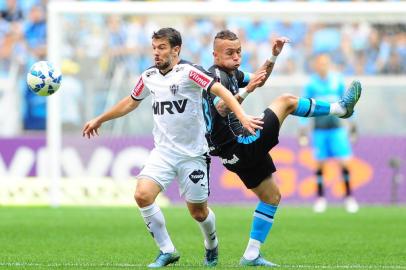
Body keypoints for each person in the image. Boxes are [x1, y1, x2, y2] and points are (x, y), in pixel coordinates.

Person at [82, 27, 263, 268]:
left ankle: (211, 245)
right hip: (163, 153)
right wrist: (100, 119)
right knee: (142, 195)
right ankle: (167, 250)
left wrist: (241, 116)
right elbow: (130, 102)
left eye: (162, 48)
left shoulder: (189, 72)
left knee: (199, 213)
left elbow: (219, 90)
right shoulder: (149, 76)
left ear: (176, 50)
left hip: (193, 154)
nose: (156, 53)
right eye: (154, 48)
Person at [202, 30, 362, 267]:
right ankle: (340, 109)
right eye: (230, 53)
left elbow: (258, 78)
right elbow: (222, 107)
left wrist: (273, 57)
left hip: (232, 153)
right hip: (240, 143)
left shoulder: (231, 72)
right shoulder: (216, 76)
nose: (236, 57)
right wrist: (247, 91)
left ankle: (251, 255)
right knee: (286, 101)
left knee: (271, 196)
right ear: (215, 54)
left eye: (238, 52)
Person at [298, 53, 359, 214]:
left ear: (329, 64)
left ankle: (349, 197)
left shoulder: (337, 80)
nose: (323, 66)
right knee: (319, 165)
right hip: (319, 131)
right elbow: (304, 106)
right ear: (316, 65)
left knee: (345, 163)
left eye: (326, 63)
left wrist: (353, 124)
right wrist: (303, 129)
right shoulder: (311, 84)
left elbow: (348, 104)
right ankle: (320, 198)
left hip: (337, 129)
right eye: (320, 63)